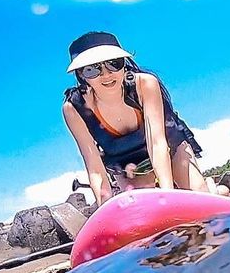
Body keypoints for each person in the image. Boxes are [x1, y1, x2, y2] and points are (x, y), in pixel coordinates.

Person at [62, 31, 219, 205]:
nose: (106, 75)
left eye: (114, 64)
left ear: (124, 64)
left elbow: (158, 143)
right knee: (144, 207)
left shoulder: (144, 84)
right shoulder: (74, 109)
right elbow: (94, 167)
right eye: (92, 69)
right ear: (81, 75)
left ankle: (213, 188)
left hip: (169, 146)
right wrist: (103, 207)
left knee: (200, 198)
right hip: (126, 164)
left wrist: (168, 196)